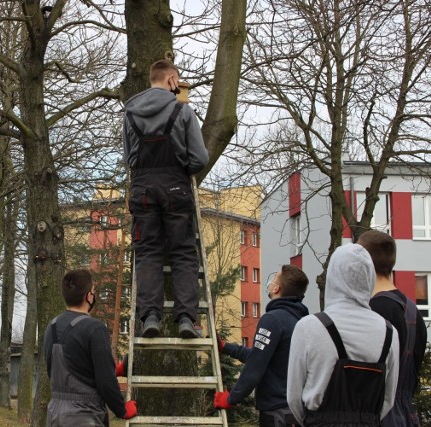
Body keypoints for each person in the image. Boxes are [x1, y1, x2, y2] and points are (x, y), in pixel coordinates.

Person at [123, 59, 209, 338]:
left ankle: (150, 316)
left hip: (143, 188)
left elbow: (129, 158)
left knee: (147, 252)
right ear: (172, 79)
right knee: (183, 253)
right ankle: (186, 319)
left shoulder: (130, 113)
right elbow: (199, 158)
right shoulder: (183, 111)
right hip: (176, 189)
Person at [287, 243, 399, 426]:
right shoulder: (389, 332)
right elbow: (388, 400)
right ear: (370, 278)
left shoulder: (308, 327)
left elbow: (294, 398)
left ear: (333, 276)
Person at [214, 264, 309, 426]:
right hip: (296, 411)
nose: (270, 281)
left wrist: (231, 399)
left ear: (277, 288)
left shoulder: (272, 320)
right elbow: (262, 356)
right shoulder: (301, 320)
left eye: (274, 278)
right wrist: (225, 347)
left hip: (277, 412)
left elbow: (255, 366)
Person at [44, 269, 137, 426]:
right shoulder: (94, 327)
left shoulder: (51, 326)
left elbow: (64, 370)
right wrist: (122, 409)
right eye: (93, 291)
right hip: (83, 415)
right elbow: (105, 381)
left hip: (55, 415)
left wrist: (115, 370)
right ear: (88, 296)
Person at [358, 230, 427, 426]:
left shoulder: (372, 311)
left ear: (364, 263)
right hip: (407, 416)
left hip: (376, 414)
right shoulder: (413, 311)